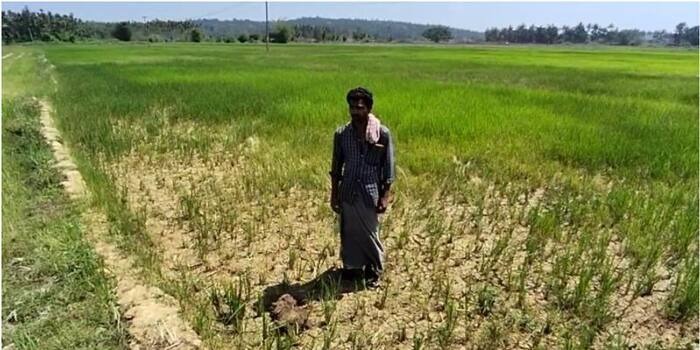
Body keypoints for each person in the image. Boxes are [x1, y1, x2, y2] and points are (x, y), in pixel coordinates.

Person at [329, 87, 395, 288]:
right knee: (349, 231)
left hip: (369, 191)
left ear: (368, 108)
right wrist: (334, 193)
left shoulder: (381, 133)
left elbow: (388, 166)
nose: (356, 111)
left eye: (360, 107)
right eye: (352, 107)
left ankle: (373, 269)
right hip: (348, 190)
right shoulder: (341, 134)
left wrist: (385, 196)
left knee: (369, 232)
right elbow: (336, 165)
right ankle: (352, 267)